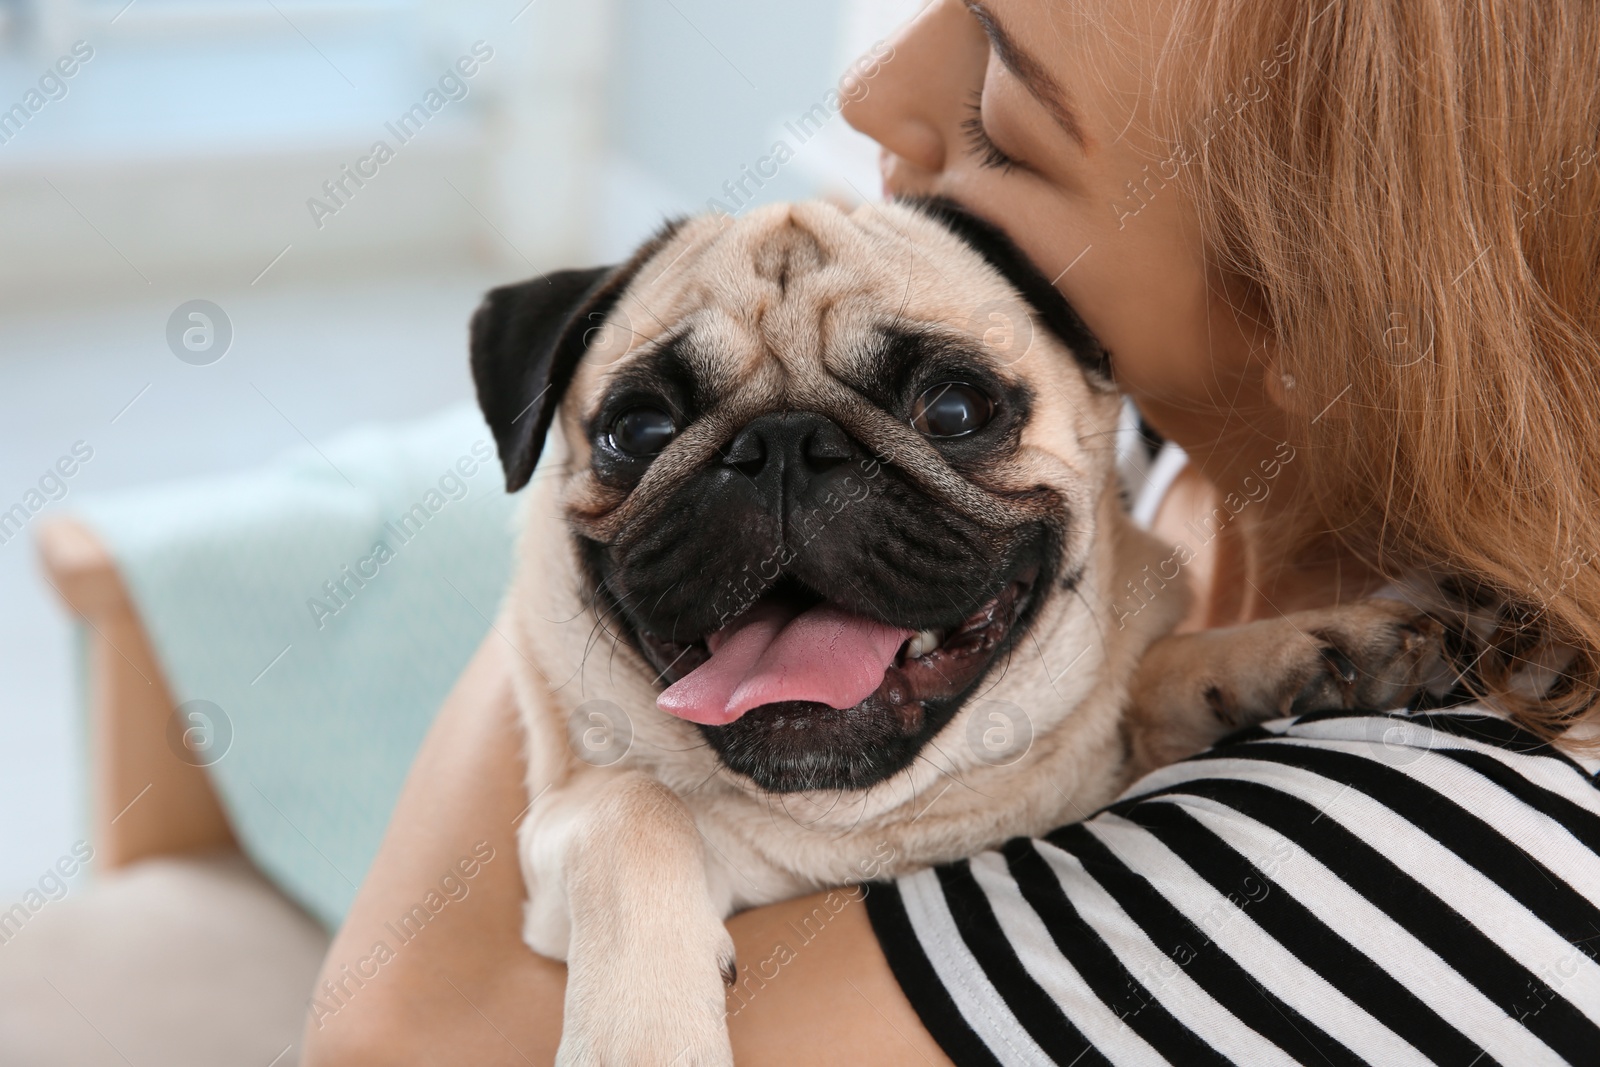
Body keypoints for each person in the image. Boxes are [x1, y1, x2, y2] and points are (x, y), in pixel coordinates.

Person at [302, 0, 1600, 1062]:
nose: (869, 90)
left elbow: (403, 1040)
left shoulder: (1397, 865)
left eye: (1003, 121)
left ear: (1337, 309)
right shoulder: (1148, 422)